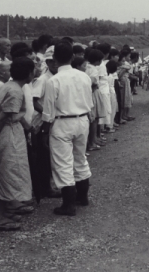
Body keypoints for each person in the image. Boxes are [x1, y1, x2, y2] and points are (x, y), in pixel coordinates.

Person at [42, 42, 94, 216]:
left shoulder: (54, 80)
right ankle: (82, 197)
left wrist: (45, 131)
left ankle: (68, 204)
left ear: (55, 59)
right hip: (82, 120)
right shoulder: (83, 76)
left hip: (62, 123)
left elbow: (48, 111)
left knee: (63, 163)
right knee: (80, 158)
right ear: (73, 57)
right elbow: (89, 101)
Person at [0, 56, 35, 230]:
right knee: (7, 173)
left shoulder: (11, 86)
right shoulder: (15, 90)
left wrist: (27, 126)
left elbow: (13, 113)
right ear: (29, 74)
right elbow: (3, 117)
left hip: (11, 131)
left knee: (10, 171)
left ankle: (7, 209)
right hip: (8, 135)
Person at [31, 46, 60, 199]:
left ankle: (52, 184)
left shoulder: (60, 77)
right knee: (44, 155)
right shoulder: (43, 79)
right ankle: (46, 188)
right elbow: (34, 101)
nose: (54, 64)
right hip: (43, 123)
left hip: (54, 121)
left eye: (56, 61)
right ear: (47, 63)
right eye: (50, 61)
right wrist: (48, 114)